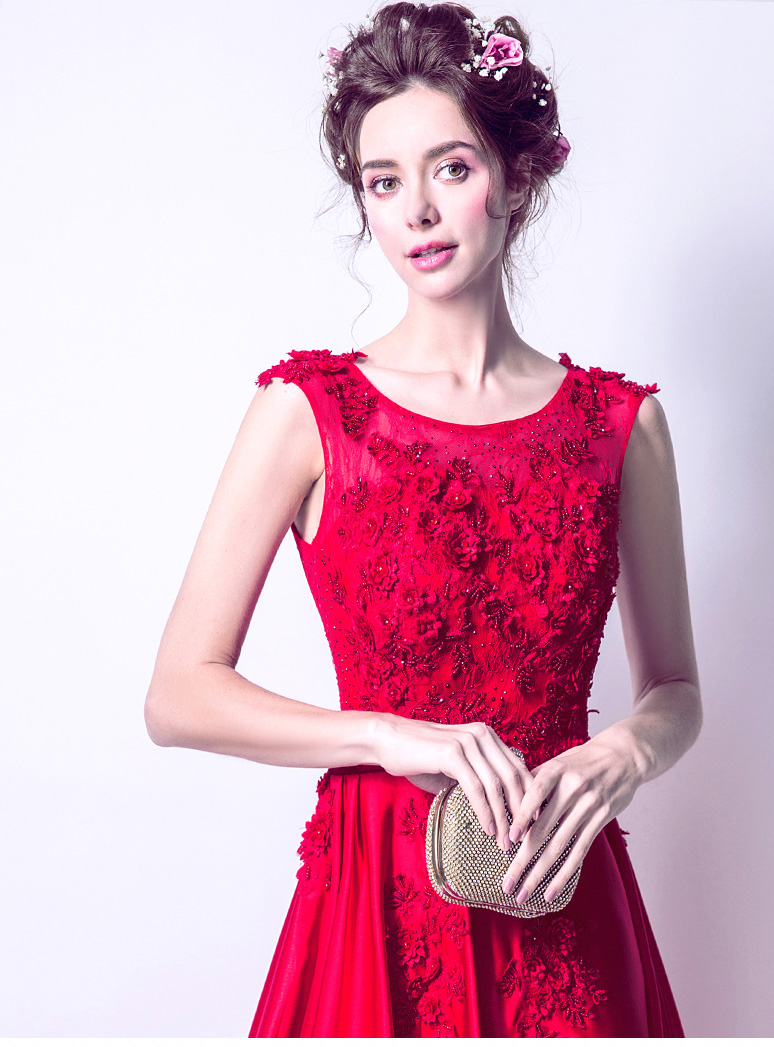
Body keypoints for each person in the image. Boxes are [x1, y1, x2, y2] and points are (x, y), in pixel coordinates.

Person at [145, 1, 702, 1037]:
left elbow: (674, 690)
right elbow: (178, 694)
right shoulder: (309, 413)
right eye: (382, 181)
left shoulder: (620, 427)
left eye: (449, 167)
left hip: (561, 885)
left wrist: (627, 751)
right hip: (373, 904)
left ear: (515, 177)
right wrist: (383, 735)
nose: (417, 212)